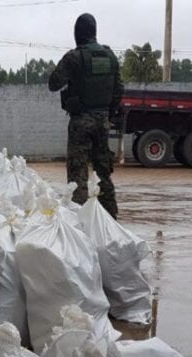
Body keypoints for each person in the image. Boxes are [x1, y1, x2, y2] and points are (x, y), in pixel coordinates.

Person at [48, 13, 123, 219]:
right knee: (103, 174)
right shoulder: (110, 57)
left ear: (78, 33)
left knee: (78, 175)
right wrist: (108, 114)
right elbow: (119, 90)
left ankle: (80, 223)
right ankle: (110, 221)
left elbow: (53, 83)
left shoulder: (74, 57)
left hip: (81, 122)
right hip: (103, 121)